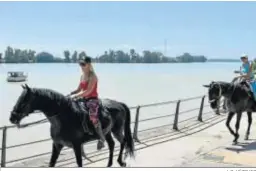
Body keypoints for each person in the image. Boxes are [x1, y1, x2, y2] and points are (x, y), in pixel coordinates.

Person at [69, 56, 105, 150]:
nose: (81, 66)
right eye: (80, 64)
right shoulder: (82, 76)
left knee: (93, 117)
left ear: (89, 65)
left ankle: (101, 138)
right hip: (83, 98)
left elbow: (88, 91)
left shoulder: (93, 76)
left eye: (83, 64)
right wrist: (71, 94)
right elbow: (79, 89)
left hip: (92, 99)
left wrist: (76, 96)